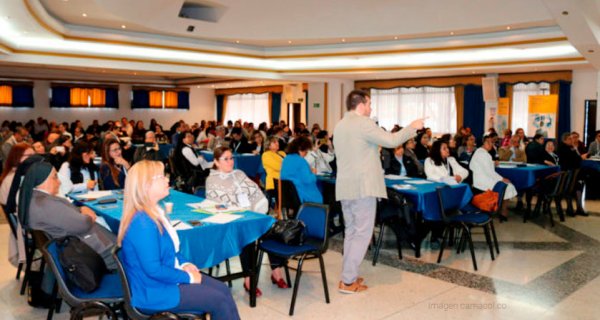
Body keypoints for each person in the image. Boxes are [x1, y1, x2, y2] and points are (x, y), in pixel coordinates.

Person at [117, 160, 240, 319]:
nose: (167, 179)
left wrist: (185, 264)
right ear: (146, 185)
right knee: (220, 300)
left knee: (223, 290)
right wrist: (187, 277)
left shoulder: (154, 212)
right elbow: (153, 270)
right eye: (161, 177)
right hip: (154, 292)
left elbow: (172, 251)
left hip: (165, 278)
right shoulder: (142, 222)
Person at [333, 89, 423, 293]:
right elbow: (392, 141)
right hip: (362, 187)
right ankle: (347, 281)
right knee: (363, 234)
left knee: (352, 232)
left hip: (346, 187)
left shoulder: (340, 125)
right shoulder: (364, 123)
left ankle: (349, 274)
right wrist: (412, 127)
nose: (371, 108)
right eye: (370, 104)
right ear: (361, 104)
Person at [206, 147, 288, 294]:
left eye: (231, 158)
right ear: (216, 162)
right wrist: (243, 212)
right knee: (248, 236)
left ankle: (276, 271)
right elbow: (218, 206)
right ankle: (248, 279)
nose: (230, 161)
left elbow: (255, 192)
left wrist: (255, 214)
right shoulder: (212, 180)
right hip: (231, 223)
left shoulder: (239, 174)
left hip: (250, 216)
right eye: (226, 159)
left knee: (271, 228)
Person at [19, 161, 116, 269]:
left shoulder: (37, 198)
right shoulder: (46, 204)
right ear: (43, 180)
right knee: (129, 250)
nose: (59, 182)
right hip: (90, 254)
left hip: (75, 247)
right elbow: (83, 224)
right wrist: (89, 216)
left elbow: (64, 214)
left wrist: (81, 209)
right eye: (55, 177)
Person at [469, 136, 517, 218]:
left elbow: (484, 165)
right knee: (508, 186)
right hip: (483, 182)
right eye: (490, 142)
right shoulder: (483, 154)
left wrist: (493, 162)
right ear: (485, 143)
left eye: (492, 142)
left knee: (507, 185)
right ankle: (503, 211)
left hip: (481, 179)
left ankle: (501, 209)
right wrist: (502, 179)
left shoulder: (479, 152)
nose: (492, 145)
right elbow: (490, 172)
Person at [280, 136, 323, 204]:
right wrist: (313, 174)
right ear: (301, 149)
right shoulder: (301, 161)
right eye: (306, 151)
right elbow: (308, 180)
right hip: (303, 195)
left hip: (289, 196)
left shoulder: (286, 159)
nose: (306, 154)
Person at [557, 132, 586, 216]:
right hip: (566, 174)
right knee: (569, 188)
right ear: (564, 140)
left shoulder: (570, 147)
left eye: (572, 138)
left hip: (573, 173)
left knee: (579, 187)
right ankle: (570, 208)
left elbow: (576, 158)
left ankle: (579, 207)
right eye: (569, 139)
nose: (572, 140)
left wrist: (577, 154)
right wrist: (580, 157)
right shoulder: (563, 148)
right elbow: (575, 159)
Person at [261, 137, 286, 201]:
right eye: (274, 142)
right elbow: (278, 167)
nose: (277, 143)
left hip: (285, 180)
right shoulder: (266, 155)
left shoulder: (282, 153)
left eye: (277, 142)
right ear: (268, 145)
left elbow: (291, 164)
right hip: (274, 181)